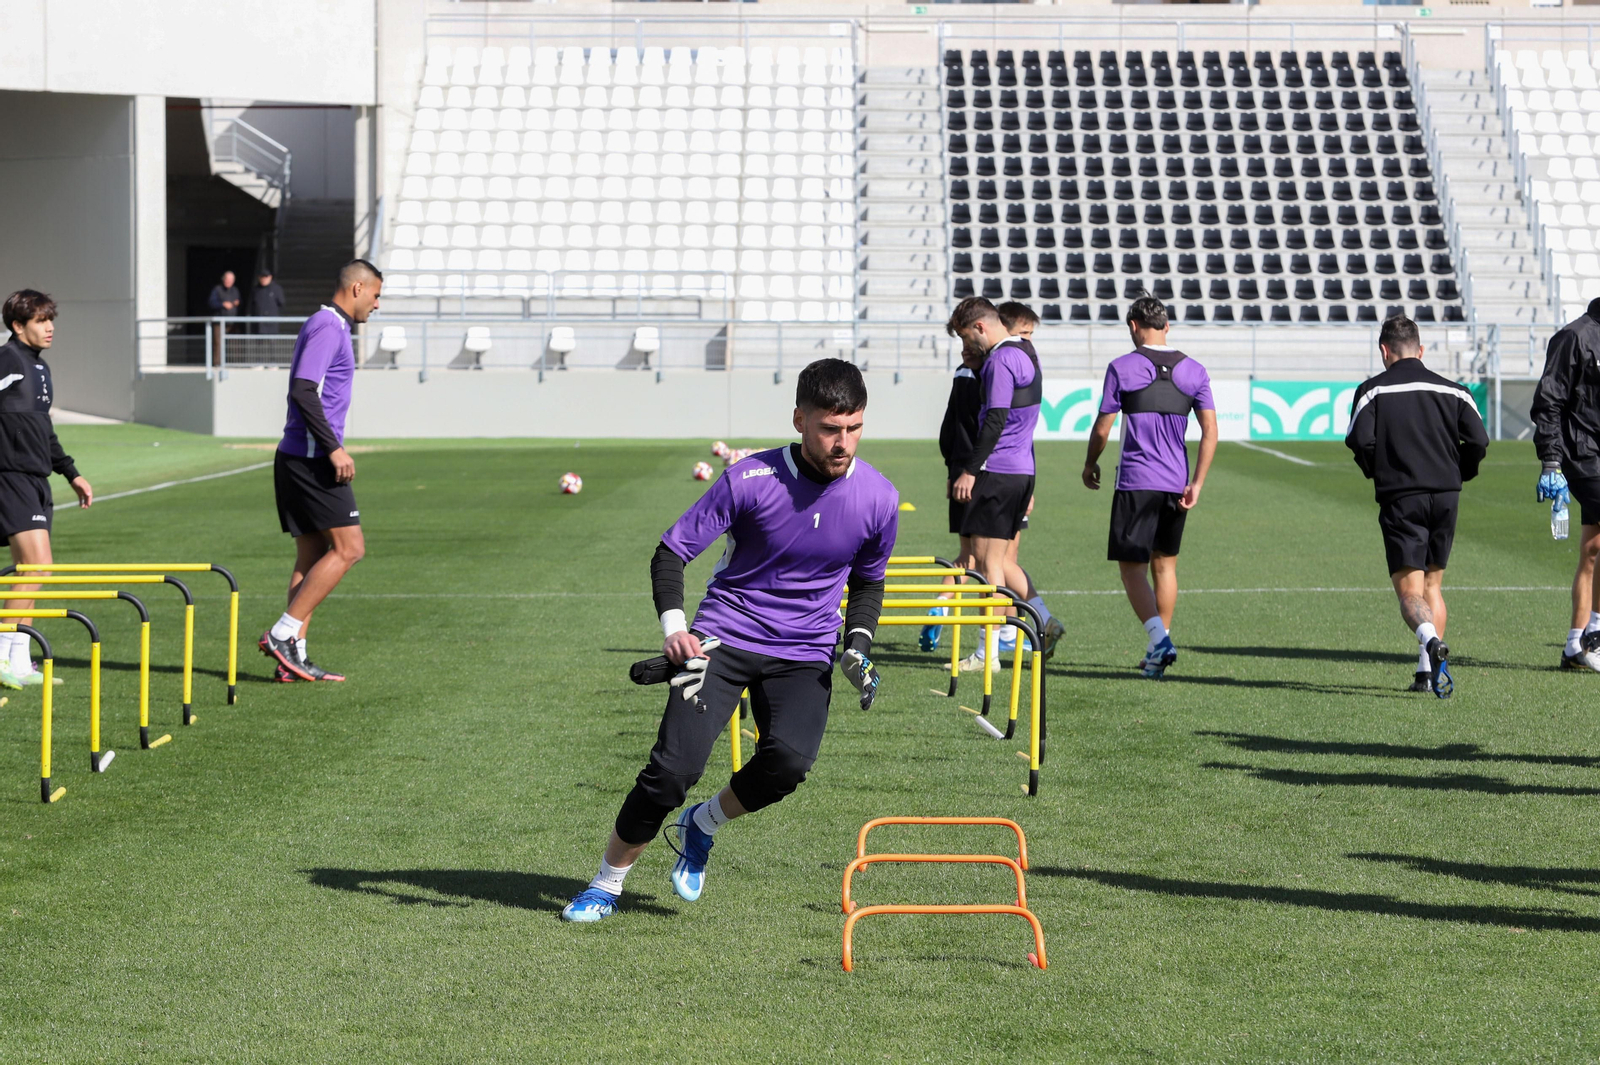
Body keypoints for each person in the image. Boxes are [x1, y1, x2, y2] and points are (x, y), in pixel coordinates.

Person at [561, 359, 898, 923]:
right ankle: (606, 883)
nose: (843, 442)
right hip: (724, 635)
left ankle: (703, 824)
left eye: (854, 428)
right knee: (672, 771)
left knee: (788, 763)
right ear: (799, 419)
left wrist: (858, 642)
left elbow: (868, 581)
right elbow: (671, 553)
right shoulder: (749, 479)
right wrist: (675, 631)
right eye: (830, 428)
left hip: (806, 648)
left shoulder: (879, 498)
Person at [1346, 315, 1487, 696]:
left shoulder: (1372, 391)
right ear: (1421, 350)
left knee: (1409, 592)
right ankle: (1426, 673)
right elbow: (1479, 440)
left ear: (1384, 351)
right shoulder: (1455, 390)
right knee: (1433, 585)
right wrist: (1461, 472)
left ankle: (1430, 641)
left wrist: (1382, 472)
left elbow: (1359, 440)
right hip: (1446, 495)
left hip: (1402, 496)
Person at [258, 260, 381, 683]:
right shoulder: (329, 326)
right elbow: (303, 389)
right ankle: (283, 633)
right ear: (358, 288)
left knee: (311, 556)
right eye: (377, 295)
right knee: (350, 549)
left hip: (299, 456)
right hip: (312, 458)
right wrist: (334, 449)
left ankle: (293, 658)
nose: (377, 305)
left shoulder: (330, 326)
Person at [1082, 297, 1216, 679]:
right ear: (1167, 326)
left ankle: (1159, 641)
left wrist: (1090, 463)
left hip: (1137, 481)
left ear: (1134, 326)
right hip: (1177, 483)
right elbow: (1211, 432)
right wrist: (1197, 483)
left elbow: (1104, 427)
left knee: (1130, 569)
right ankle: (1159, 647)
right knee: (1165, 565)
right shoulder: (1194, 370)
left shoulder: (1122, 367)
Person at [0, 290, 93, 689]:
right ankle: (2, 655)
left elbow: (43, 430)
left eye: (50, 318)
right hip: (10, 475)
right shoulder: (7, 359)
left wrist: (70, 472)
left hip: (36, 478)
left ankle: (19, 661)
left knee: (34, 570)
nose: (50, 326)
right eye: (40, 320)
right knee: (36, 565)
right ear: (18, 326)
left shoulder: (40, 368)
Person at [944, 297, 1043, 669]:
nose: (969, 347)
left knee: (988, 566)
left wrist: (970, 469)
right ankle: (1013, 637)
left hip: (998, 471)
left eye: (969, 338)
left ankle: (989, 653)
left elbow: (996, 419)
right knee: (998, 562)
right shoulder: (1028, 354)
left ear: (981, 327)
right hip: (1021, 471)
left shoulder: (1001, 359)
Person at [1529, 295, 1600, 671]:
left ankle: (1576, 644)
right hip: (1583, 454)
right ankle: (1596, 636)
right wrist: (1551, 461)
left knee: (1593, 548)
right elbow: (1549, 402)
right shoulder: (1574, 337)